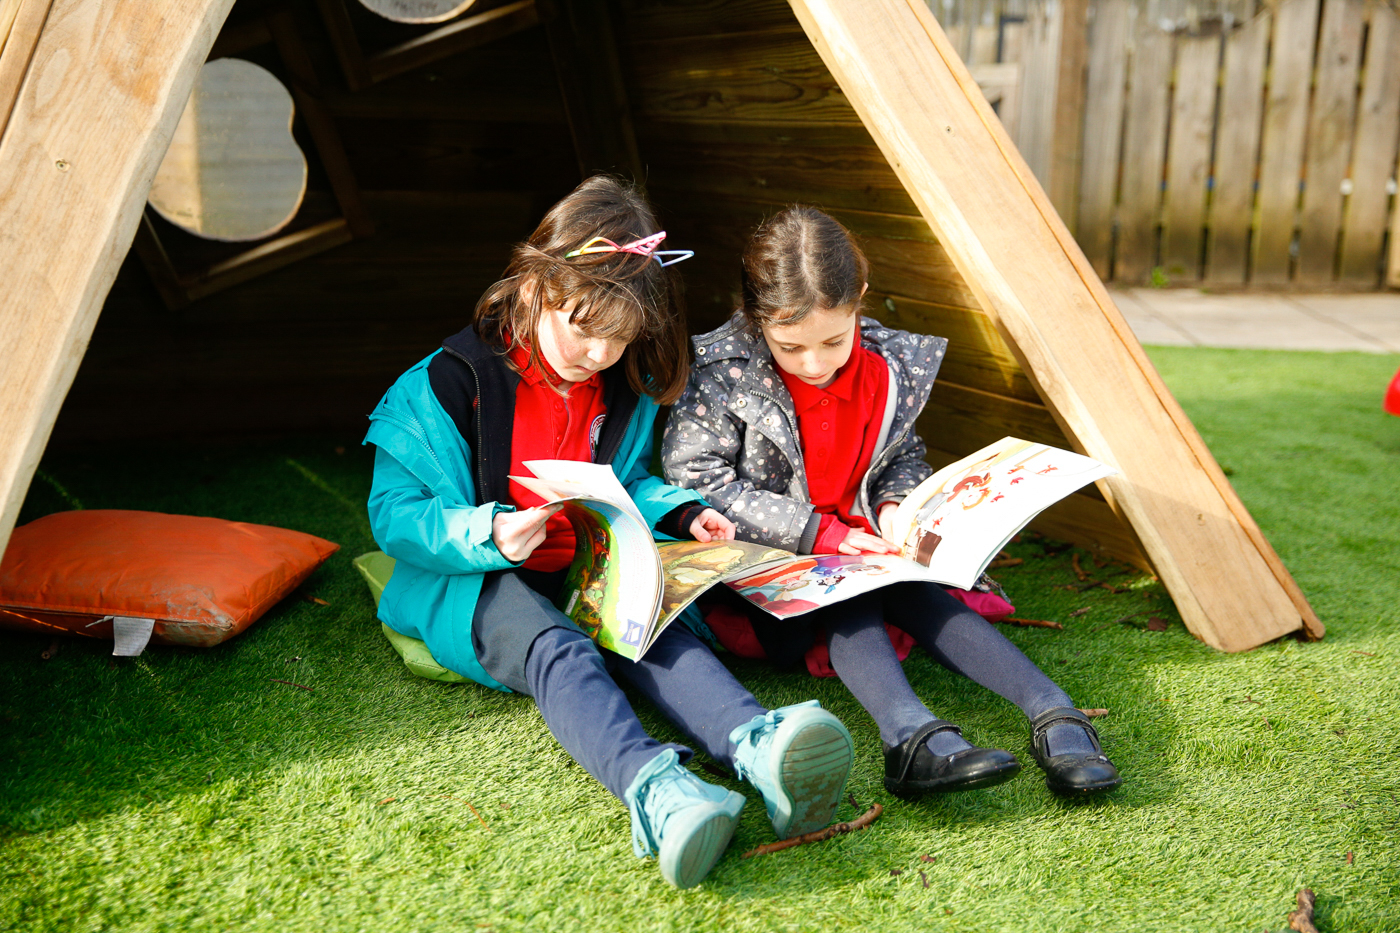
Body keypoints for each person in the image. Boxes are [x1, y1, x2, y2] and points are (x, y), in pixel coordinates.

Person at [362, 178, 854, 889]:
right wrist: (491, 532)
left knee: (651, 623)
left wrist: (680, 512)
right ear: (535, 286)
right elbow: (396, 514)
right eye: (583, 327)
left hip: (584, 562)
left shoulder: (618, 385)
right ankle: (658, 793)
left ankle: (759, 748)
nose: (597, 353)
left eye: (619, 338)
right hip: (475, 579)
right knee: (559, 649)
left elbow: (628, 481)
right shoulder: (444, 383)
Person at [662, 206, 1121, 798]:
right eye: (789, 345)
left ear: (861, 300)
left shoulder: (886, 369)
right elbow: (695, 477)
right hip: (766, 574)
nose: (815, 363)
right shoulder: (721, 370)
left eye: (834, 338)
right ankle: (909, 737)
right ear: (756, 319)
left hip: (864, 541)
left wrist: (899, 505)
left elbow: (900, 456)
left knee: (911, 586)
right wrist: (816, 534)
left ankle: (1053, 710)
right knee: (850, 590)